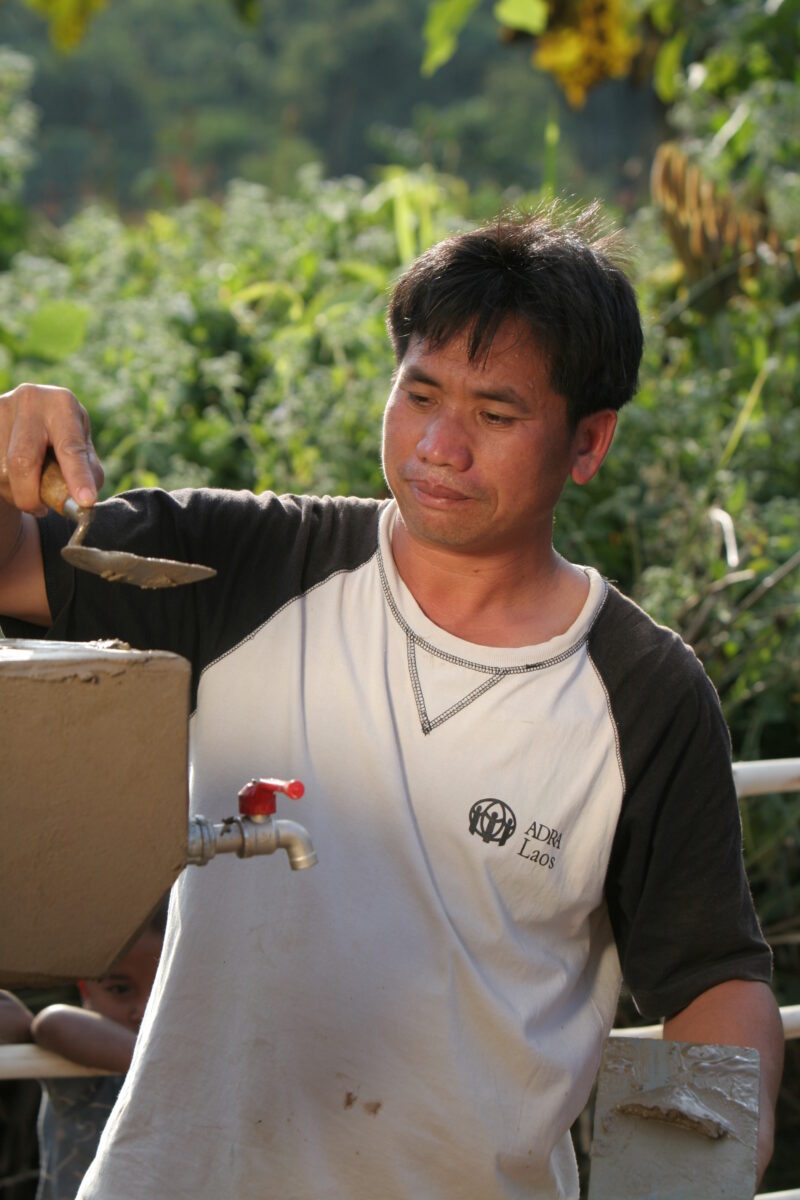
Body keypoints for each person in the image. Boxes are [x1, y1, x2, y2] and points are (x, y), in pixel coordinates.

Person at [0, 207, 783, 1199]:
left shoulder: (641, 691)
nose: (440, 447)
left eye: (495, 415)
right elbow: (14, 566)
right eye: (419, 394)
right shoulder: (247, 564)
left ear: (588, 443)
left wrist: (678, 1180)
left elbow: (712, 983)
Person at [0, 903, 166, 1200]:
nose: (143, 1011)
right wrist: (164, 1064)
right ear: (85, 991)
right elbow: (53, 1023)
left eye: (163, 990)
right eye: (120, 990)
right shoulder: (86, 1067)